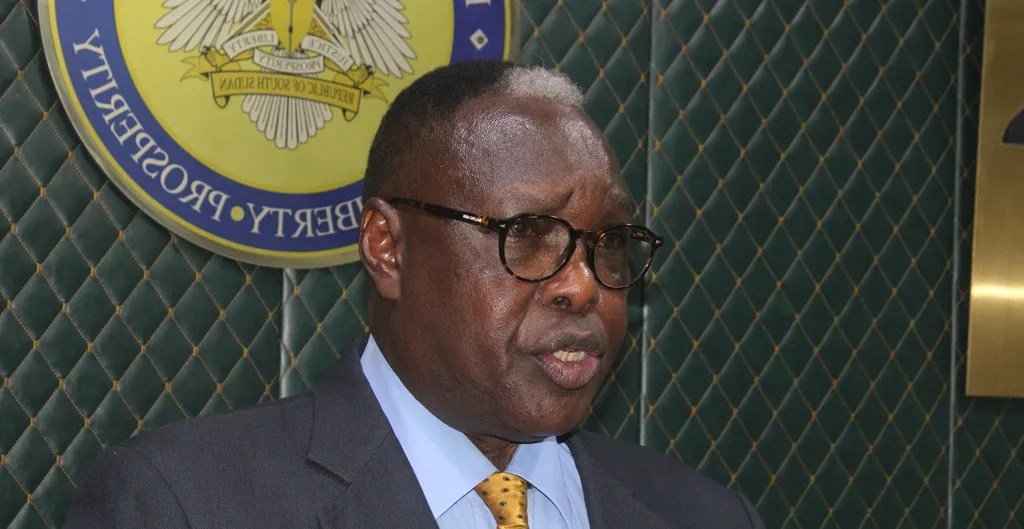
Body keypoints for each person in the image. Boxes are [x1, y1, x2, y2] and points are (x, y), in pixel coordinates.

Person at [63, 61, 764, 529]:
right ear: (387, 247)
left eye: (606, 240)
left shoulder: (705, 514)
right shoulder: (179, 502)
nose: (581, 285)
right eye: (527, 233)